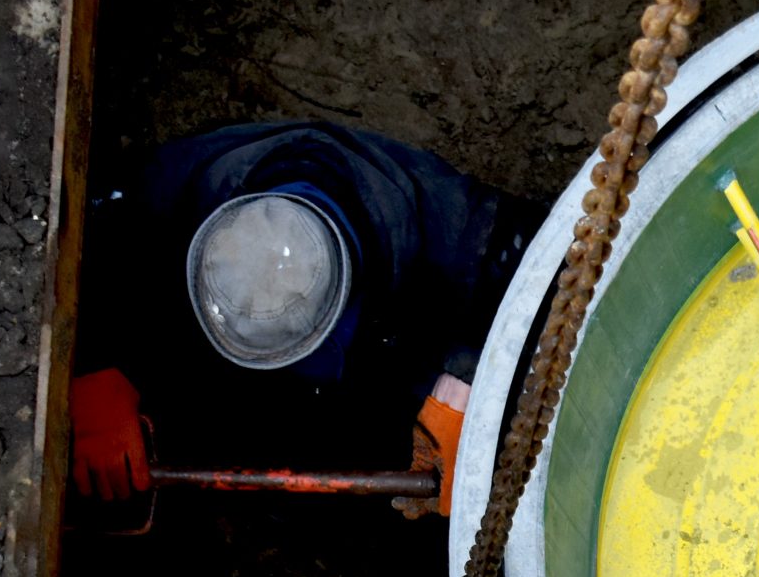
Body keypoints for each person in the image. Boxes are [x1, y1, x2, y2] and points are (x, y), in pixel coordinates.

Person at [68, 122, 542, 520]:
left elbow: (551, 274)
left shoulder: (457, 228)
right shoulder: (172, 187)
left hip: (393, 341)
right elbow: (85, 229)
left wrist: (464, 382)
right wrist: (98, 366)